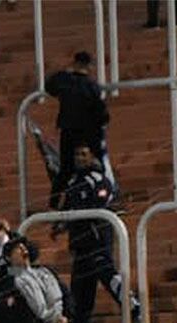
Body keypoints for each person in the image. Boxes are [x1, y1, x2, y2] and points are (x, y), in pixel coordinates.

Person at [56, 144, 138, 323]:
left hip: (97, 239)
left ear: (92, 157)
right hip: (79, 243)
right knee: (81, 285)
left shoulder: (99, 179)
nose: (79, 158)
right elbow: (66, 209)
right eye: (77, 154)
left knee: (106, 273)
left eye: (84, 154)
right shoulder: (73, 182)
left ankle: (133, 305)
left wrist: (77, 213)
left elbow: (101, 203)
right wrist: (61, 224)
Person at [45, 51, 112, 208]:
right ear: (89, 66)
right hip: (88, 134)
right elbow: (102, 114)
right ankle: (103, 197)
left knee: (66, 169)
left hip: (68, 132)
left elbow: (49, 86)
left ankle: (55, 203)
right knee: (95, 166)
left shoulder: (64, 80)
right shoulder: (91, 86)